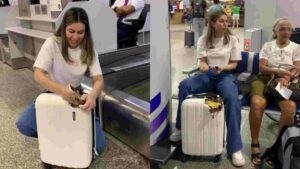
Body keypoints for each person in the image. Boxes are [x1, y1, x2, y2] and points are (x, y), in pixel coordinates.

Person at [15, 8, 106, 154]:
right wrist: (62, 91)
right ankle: (58, 136)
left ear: (86, 32)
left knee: (99, 145)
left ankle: (67, 133)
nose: (75, 37)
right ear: (64, 28)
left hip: (76, 96)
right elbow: (38, 74)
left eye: (80, 32)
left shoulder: (89, 49)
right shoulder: (52, 43)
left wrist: (93, 95)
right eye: (71, 31)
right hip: (52, 93)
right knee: (24, 124)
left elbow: (98, 79)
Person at [169, 11, 245, 167]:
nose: (226, 24)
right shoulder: (203, 40)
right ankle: (180, 128)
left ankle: (235, 147)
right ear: (213, 23)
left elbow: (234, 64)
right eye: (222, 21)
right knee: (184, 85)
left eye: (227, 21)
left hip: (225, 75)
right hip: (208, 75)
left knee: (232, 98)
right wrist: (203, 66)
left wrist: (222, 68)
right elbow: (202, 62)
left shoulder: (232, 40)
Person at [249, 17, 300, 167]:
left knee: (290, 107)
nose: (286, 32)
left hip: (287, 81)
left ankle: (278, 147)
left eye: (289, 29)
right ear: (275, 31)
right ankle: (254, 143)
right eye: (282, 29)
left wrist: (286, 77)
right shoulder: (268, 46)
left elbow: (297, 68)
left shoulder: (296, 47)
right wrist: (277, 72)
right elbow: (262, 67)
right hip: (265, 79)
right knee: (257, 103)